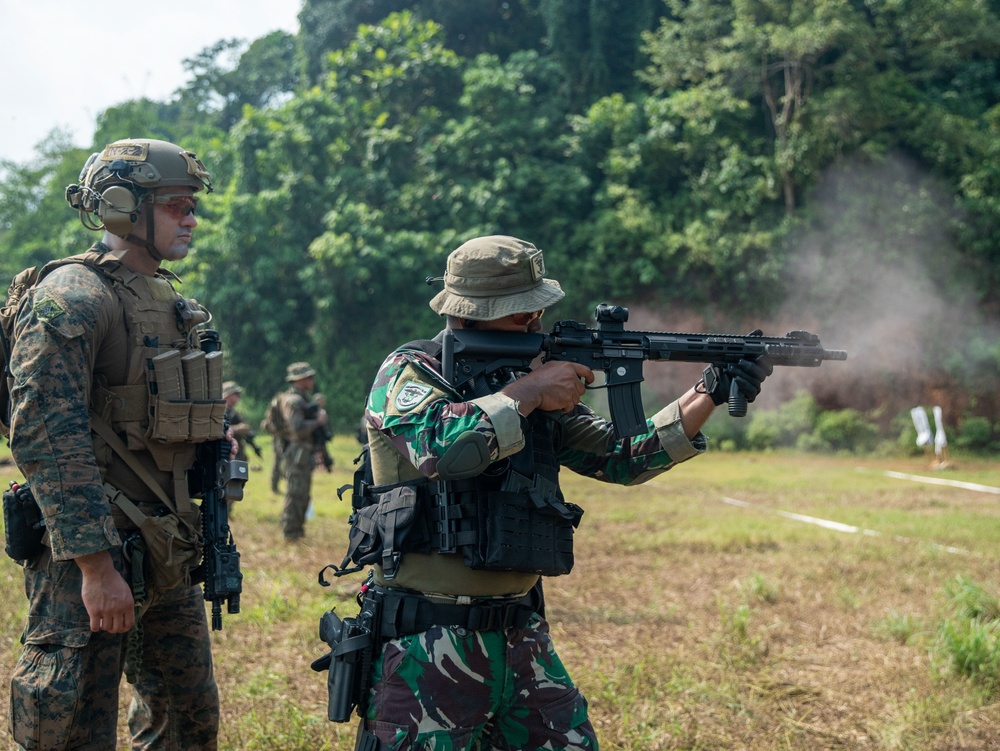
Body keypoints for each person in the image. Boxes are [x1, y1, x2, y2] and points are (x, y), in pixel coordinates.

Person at [352, 235, 773, 748]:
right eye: (520, 314)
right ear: (470, 314)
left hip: (520, 634)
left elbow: (620, 456)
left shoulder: (525, 378)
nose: (535, 322)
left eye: (535, 311)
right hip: (426, 640)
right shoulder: (411, 372)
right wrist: (529, 392)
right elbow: (443, 450)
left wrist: (710, 389)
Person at [6, 138, 230, 749]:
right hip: (94, 560)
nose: (191, 218)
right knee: (73, 729)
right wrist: (96, 567)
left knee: (188, 724)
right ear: (121, 207)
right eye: (177, 205)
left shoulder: (177, 305)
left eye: (193, 206)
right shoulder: (74, 298)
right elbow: (46, 434)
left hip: (167, 550)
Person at [276, 361, 328, 541]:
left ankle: (296, 531)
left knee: (303, 493)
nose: (312, 380)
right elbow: (297, 428)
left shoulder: (303, 399)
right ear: (298, 379)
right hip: (296, 453)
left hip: (303, 452)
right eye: (308, 377)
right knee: (295, 492)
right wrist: (318, 422)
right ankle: (290, 532)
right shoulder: (293, 400)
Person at [223, 380, 261, 465]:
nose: (238, 397)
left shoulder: (233, 412)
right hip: (229, 453)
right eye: (236, 394)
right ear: (228, 395)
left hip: (236, 451)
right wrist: (239, 428)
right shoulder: (222, 412)